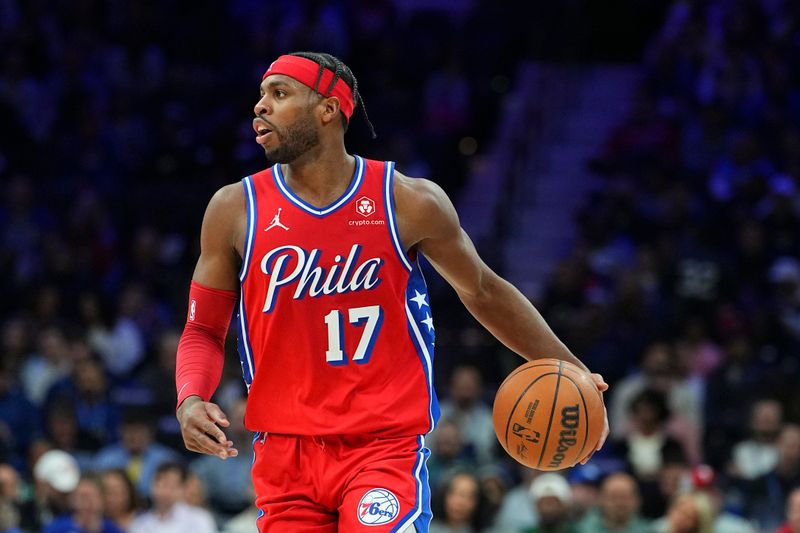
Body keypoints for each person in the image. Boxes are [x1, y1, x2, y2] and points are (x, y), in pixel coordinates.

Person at [174, 51, 609, 533]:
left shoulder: (406, 200)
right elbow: (202, 327)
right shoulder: (234, 209)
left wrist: (573, 369)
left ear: (329, 109)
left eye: (279, 93)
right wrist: (191, 397)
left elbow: (483, 289)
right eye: (260, 96)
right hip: (284, 452)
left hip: (381, 447)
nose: (260, 106)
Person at [129, 462, 216, 533]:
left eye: (169, 485)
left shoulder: (199, 518)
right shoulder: (140, 523)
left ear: (182, 489)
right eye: (158, 484)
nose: (163, 491)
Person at [43, 474, 124, 533]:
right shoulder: (57, 528)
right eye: (82, 497)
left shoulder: (112, 529)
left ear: (102, 500)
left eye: (92, 496)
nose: (87, 503)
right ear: (73, 500)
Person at [576, 472, 649, 533]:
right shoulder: (581, 530)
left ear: (637, 499)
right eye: (614, 497)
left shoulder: (649, 530)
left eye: (625, 497)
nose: (620, 503)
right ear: (601, 499)